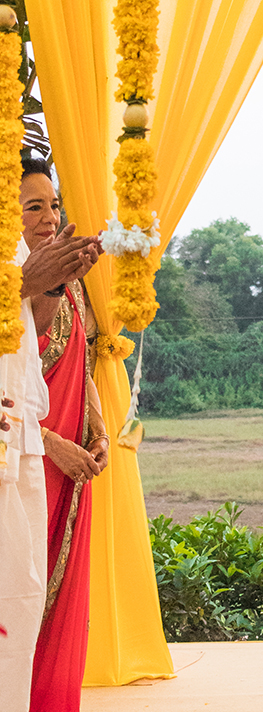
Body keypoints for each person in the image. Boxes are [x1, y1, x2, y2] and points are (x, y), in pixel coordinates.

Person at [0, 159, 99, 712]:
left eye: (53, 205)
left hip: (21, 440)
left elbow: (25, 338)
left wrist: (52, 281)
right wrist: (28, 280)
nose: (48, 216)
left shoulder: (24, 265)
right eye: (33, 206)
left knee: (22, 596)